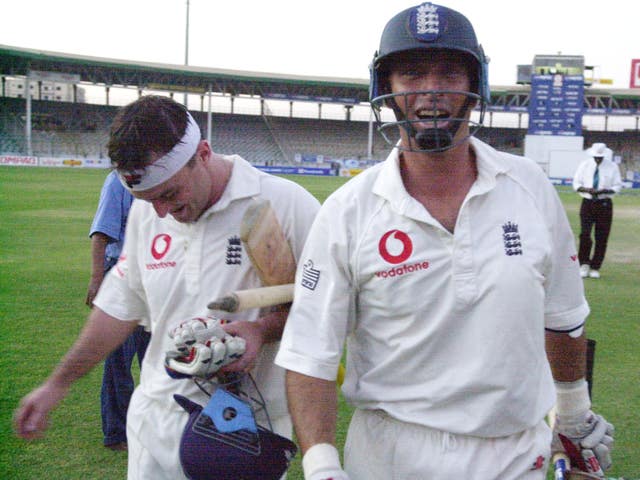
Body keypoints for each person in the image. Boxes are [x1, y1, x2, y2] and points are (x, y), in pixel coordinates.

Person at [275, 3, 614, 479]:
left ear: (474, 88)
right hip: (392, 454)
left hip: (518, 453)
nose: (431, 90)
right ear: (386, 89)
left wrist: (575, 415)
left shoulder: (529, 187)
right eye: (412, 74)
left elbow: (563, 319)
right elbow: (311, 354)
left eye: (450, 73)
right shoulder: (348, 211)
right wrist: (322, 465)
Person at [14, 95, 320, 479]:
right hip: (153, 423)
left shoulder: (285, 204)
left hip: (238, 436)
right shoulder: (149, 212)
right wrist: (57, 385)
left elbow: (328, 309)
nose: (160, 212)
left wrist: (261, 330)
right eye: (146, 199)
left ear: (203, 153)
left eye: (169, 194)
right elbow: (118, 307)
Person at [86, 169, 151, 451]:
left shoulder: (160, 179)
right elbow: (101, 234)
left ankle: (153, 429)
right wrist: (97, 280)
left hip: (155, 279)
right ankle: (117, 434)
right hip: (123, 279)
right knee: (118, 363)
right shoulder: (118, 181)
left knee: (158, 360)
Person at [572, 142, 622, 279]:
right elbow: (576, 184)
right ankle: (584, 264)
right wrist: (587, 189)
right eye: (595, 157)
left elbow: (617, 186)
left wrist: (604, 191)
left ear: (604, 156)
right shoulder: (585, 165)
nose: (598, 159)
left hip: (604, 204)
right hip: (588, 202)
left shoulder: (612, 167)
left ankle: (595, 267)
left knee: (602, 237)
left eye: (600, 157)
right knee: (585, 234)